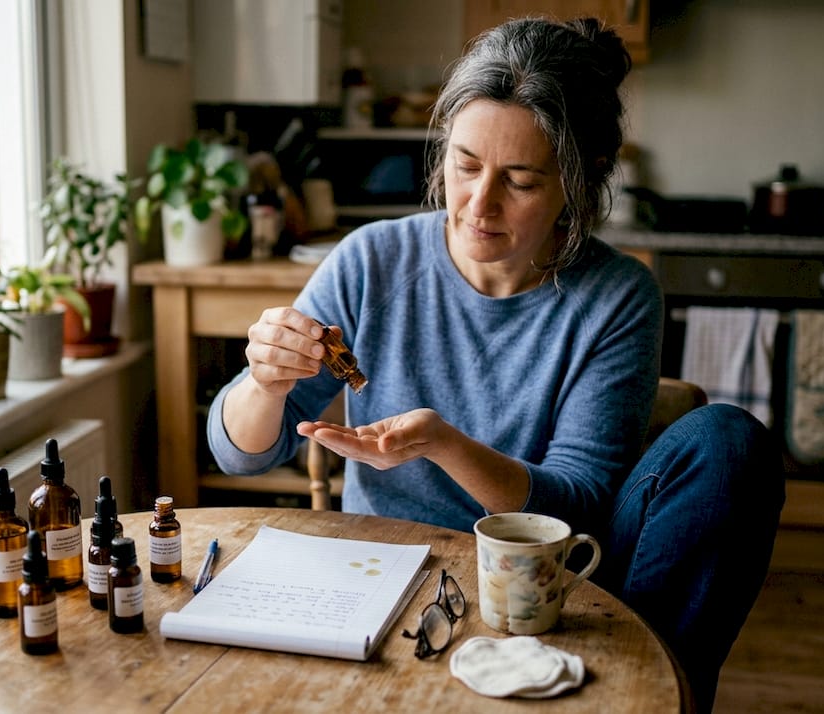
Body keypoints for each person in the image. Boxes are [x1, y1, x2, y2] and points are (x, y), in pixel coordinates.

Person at [207, 16, 784, 712]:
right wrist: (265, 384)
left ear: (580, 181)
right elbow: (239, 454)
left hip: (550, 583)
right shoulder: (371, 261)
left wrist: (444, 445)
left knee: (729, 444)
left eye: (520, 180)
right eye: (466, 165)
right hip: (391, 578)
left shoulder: (617, 296)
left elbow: (578, 504)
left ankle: (649, 691)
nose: (479, 205)